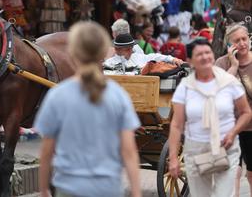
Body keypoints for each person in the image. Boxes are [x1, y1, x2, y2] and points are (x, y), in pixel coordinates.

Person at [34, 21, 142, 197]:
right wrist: (136, 192)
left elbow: (46, 151)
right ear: (102, 53)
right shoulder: (118, 96)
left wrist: (44, 189)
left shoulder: (57, 95)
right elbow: (129, 151)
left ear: (73, 53)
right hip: (108, 187)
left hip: (69, 187)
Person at [169, 38, 251, 197]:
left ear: (213, 56)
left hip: (226, 147)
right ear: (190, 61)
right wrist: (173, 158)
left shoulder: (229, 82)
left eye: (207, 52)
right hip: (195, 150)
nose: (205, 57)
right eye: (199, 54)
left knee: (224, 194)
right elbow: (176, 125)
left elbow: (246, 112)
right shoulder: (185, 87)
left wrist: (233, 132)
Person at [215, 23, 252, 196]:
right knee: (232, 170)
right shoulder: (221, 63)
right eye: (237, 41)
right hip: (230, 127)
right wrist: (234, 66)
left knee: (251, 172)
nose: (242, 43)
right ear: (229, 45)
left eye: (244, 39)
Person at [103, 33, 183, 71]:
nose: (130, 51)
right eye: (127, 49)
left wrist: (173, 59)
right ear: (117, 50)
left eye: (131, 48)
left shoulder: (138, 57)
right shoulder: (108, 64)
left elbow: (154, 56)